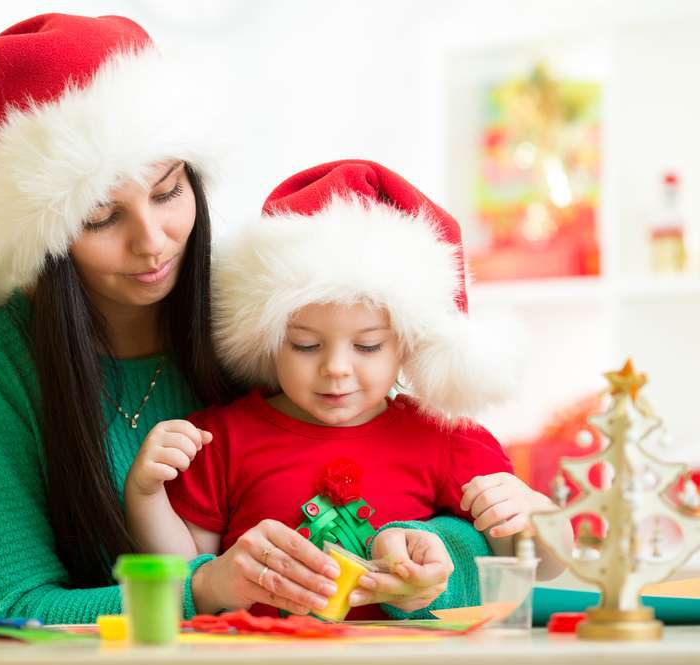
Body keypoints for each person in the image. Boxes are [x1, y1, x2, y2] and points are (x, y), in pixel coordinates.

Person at [0, 14, 502, 623]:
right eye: (103, 218)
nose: (153, 242)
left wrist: (426, 557)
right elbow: (13, 605)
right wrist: (203, 590)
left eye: (167, 192)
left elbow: (423, 479)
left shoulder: (256, 313)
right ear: (42, 236)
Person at [126, 159, 569, 620]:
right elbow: (186, 572)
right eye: (305, 344)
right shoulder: (221, 438)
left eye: (368, 345)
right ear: (267, 336)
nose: (336, 368)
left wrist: (531, 512)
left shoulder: (443, 436)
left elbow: (540, 566)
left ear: (408, 345)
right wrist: (145, 493)